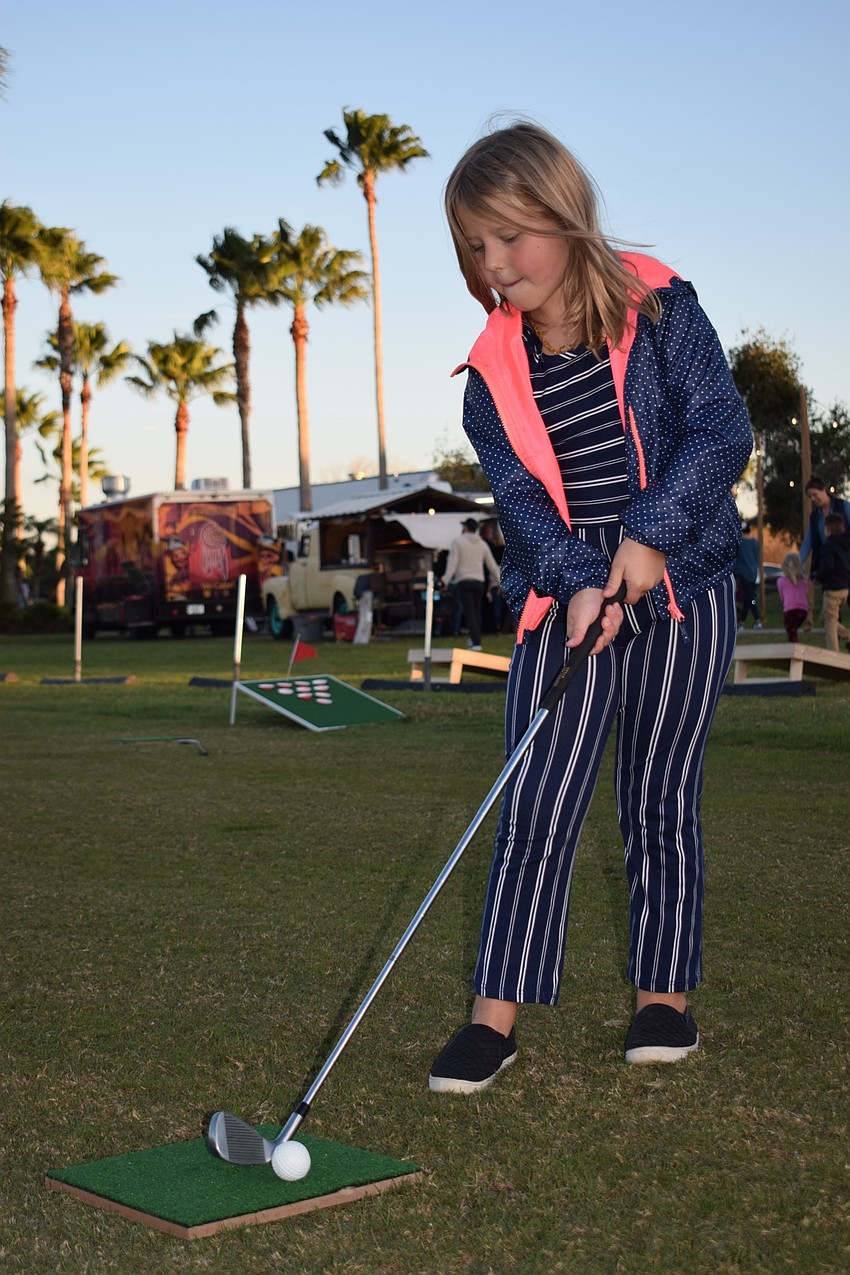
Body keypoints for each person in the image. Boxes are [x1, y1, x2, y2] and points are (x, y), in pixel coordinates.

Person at [428, 121, 752, 1093]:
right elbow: (520, 503)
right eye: (473, 246)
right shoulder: (489, 375)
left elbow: (719, 427)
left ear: (564, 219)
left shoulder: (660, 308)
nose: (493, 263)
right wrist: (573, 580)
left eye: (508, 236)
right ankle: (495, 1018)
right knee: (536, 800)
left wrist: (650, 536)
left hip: (684, 581)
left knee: (659, 797)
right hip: (566, 596)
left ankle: (664, 1000)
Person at [441, 517, 501, 650]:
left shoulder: (458, 542)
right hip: (479, 581)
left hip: (464, 580)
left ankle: (476, 642)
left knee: (469, 612)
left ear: (466, 528)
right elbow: (492, 565)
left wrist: (445, 580)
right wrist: (500, 582)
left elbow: (453, 564)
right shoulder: (482, 544)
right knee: (477, 611)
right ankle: (476, 639)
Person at [818, 512, 850, 652]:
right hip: (844, 588)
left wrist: (818, 576)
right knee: (825, 618)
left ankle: (833, 656)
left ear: (827, 529)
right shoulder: (845, 545)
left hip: (833, 589)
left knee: (830, 625)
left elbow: (828, 567)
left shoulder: (828, 545)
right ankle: (847, 635)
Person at [775, 552, 809, 642]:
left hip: (790, 610)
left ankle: (793, 649)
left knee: (790, 630)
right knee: (792, 630)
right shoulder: (804, 581)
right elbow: (806, 593)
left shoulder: (781, 581)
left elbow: (782, 597)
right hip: (803, 611)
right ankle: (794, 646)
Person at [733, 521, 761, 629]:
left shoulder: (740, 543)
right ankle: (742, 621)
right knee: (748, 597)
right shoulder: (755, 543)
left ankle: (757, 619)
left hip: (744, 573)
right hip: (753, 573)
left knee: (749, 597)